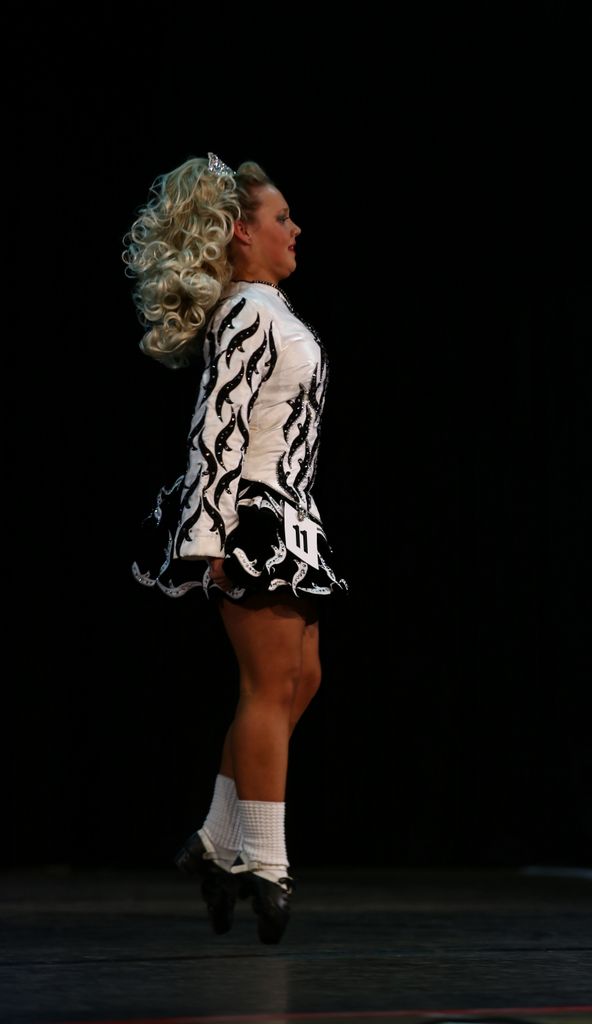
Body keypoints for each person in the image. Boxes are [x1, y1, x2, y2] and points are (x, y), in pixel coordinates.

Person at [122, 152, 349, 945]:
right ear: (242, 234)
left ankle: (216, 841)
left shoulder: (267, 309)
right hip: (249, 516)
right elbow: (215, 425)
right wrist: (208, 538)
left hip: (284, 511)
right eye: (281, 218)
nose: (296, 230)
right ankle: (266, 863)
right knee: (268, 685)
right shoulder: (249, 311)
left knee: (300, 679)